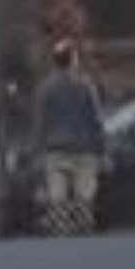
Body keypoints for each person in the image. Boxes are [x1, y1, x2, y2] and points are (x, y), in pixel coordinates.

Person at [31, 40, 107, 228]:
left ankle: (61, 227)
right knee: (84, 196)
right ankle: (83, 226)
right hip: (84, 149)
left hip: (55, 149)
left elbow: (41, 122)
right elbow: (95, 119)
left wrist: (37, 151)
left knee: (58, 197)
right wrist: (102, 150)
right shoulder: (85, 86)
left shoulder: (45, 88)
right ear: (74, 59)